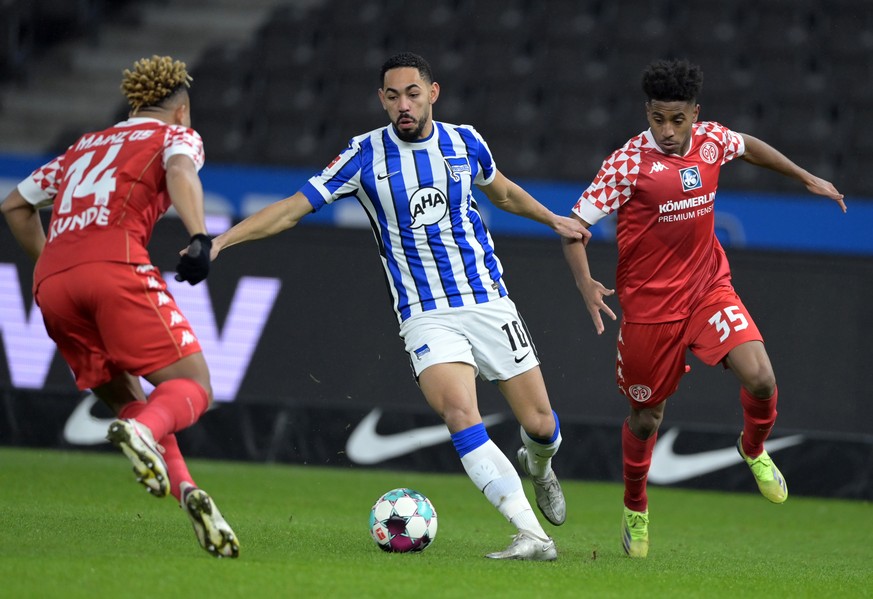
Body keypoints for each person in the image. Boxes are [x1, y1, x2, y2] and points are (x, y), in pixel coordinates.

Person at [208, 52, 590, 560]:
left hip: (488, 300)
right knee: (460, 412)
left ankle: (539, 467)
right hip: (424, 312)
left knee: (541, 425)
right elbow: (291, 210)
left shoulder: (465, 141)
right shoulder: (363, 156)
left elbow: (503, 193)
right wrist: (219, 242)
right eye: (392, 96)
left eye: (412, 93)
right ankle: (533, 535)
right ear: (382, 100)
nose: (403, 105)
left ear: (433, 93)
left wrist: (554, 220)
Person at [561, 58, 847, 559]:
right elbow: (574, 224)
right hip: (651, 310)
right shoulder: (628, 163)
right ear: (647, 113)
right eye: (657, 118)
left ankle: (753, 448)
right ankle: (635, 505)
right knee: (647, 418)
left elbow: (749, 146)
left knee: (761, 378)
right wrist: (585, 282)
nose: (667, 131)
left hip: (707, 289)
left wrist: (806, 176)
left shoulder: (712, 139)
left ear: (696, 112)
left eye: (677, 119)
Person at [1, 55, 239, 558]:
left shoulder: (81, 147)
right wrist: (199, 235)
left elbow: (14, 205)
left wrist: (56, 264)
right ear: (181, 111)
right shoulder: (174, 136)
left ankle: (189, 492)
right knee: (192, 385)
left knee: (132, 398)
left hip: (52, 285)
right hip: (115, 266)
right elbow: (179, 170)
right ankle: (141, 433)